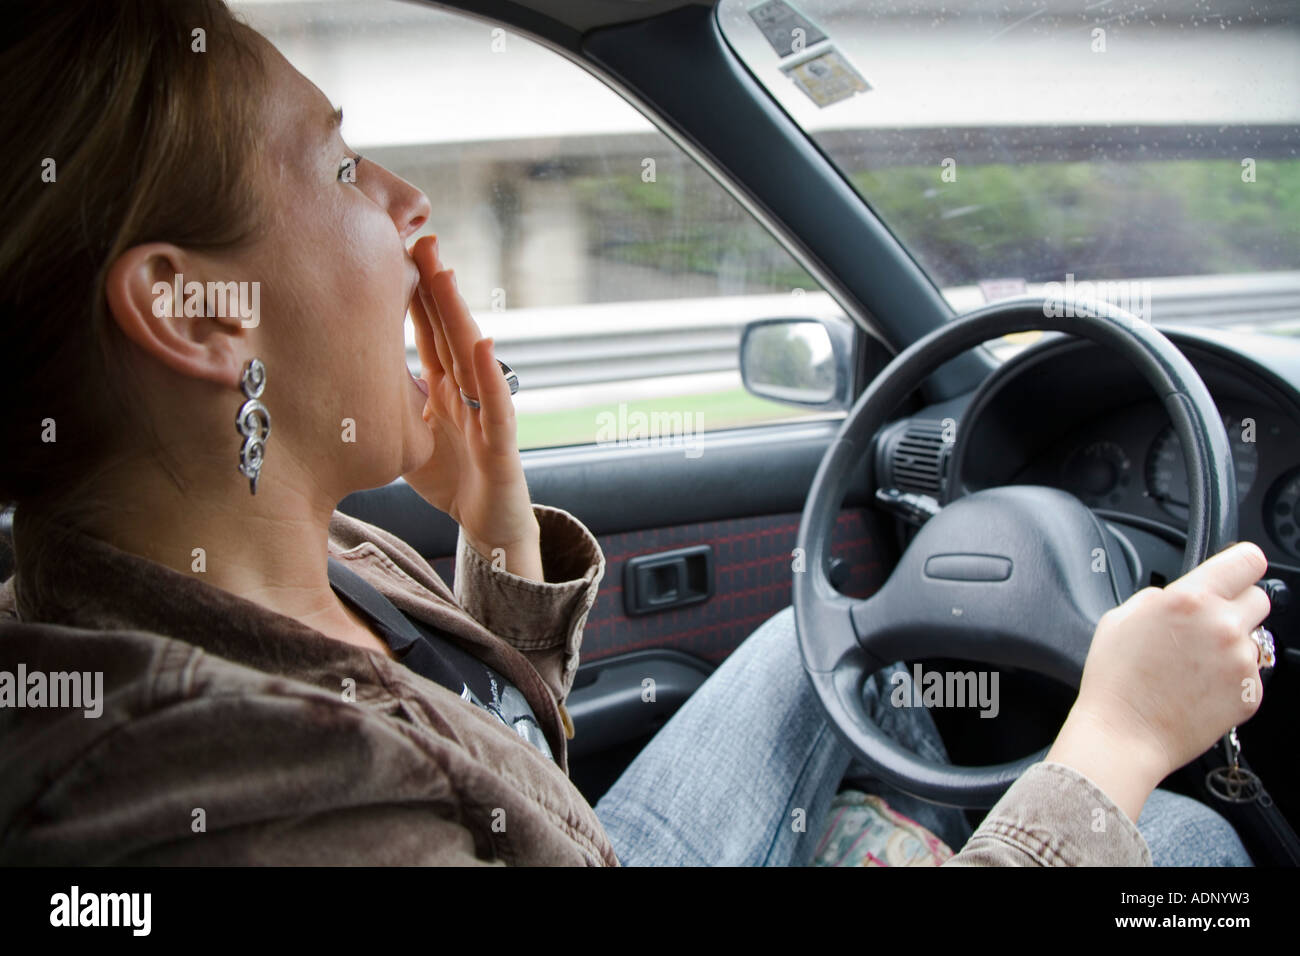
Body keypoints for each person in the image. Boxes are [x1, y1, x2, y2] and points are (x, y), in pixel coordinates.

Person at [0, 0, 1268, 866]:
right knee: (1190, 845)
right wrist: (1113, 743)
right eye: (339, 168)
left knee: (802, 642)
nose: (405, 201)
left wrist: (491, 511)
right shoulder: (226, 796)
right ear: (194, 309)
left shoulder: (275, 553)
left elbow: (472, 758)